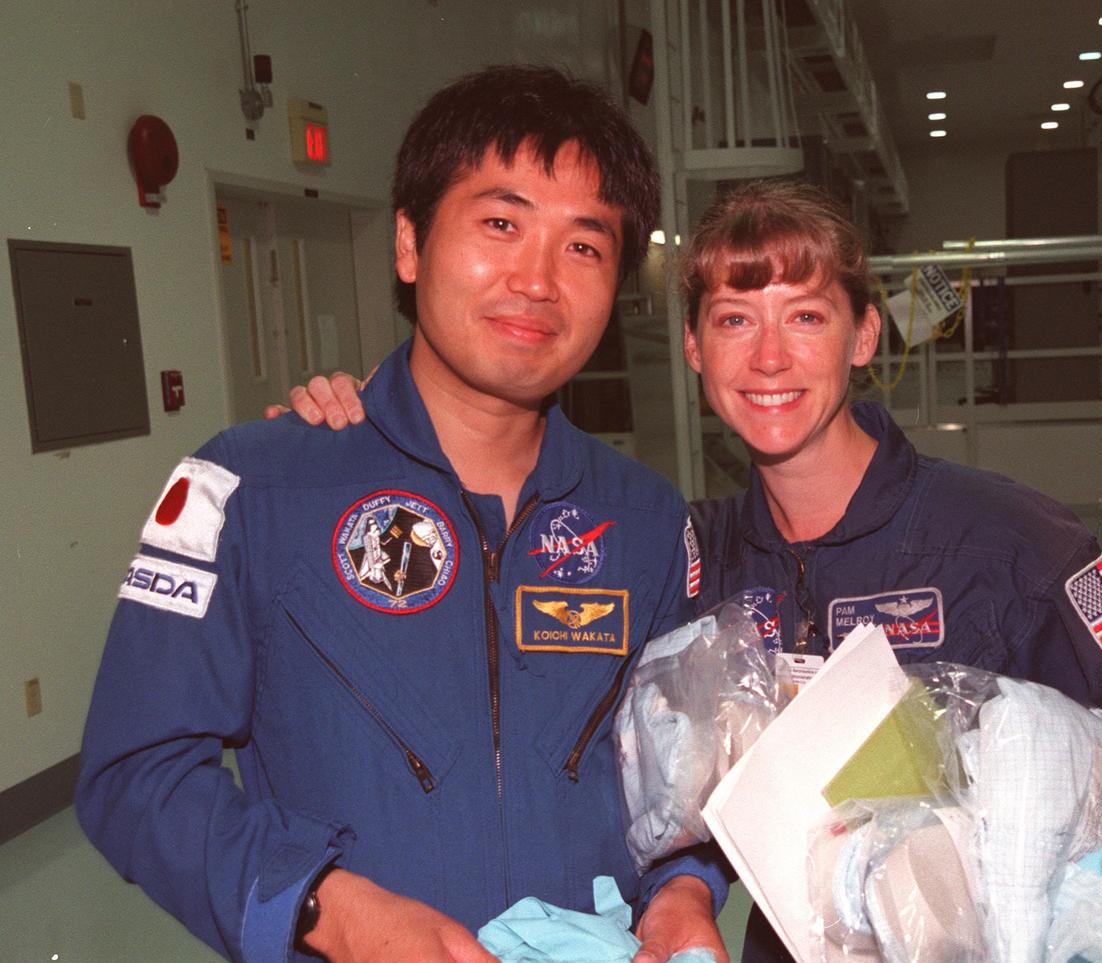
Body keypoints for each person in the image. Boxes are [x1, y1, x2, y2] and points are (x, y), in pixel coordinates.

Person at [287, 181, 1102, 962]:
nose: (771, 357)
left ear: (863, 336)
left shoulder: (1010, 542)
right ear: (695, 349)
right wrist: (366, 431)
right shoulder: (687, 554)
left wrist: (1024, 921)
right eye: (736, 319)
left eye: (807, 316)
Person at [77, 65, 729, 963]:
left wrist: (684, 893)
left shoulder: (645, 520)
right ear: (409, 244)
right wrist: (326, 907)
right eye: (500, 224)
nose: (538, 279)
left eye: (584, 245)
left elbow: (678, 786)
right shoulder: (255, 488)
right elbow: (136, 773)